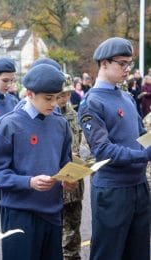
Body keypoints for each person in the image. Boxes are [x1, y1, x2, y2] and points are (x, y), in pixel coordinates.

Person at [0, 64, 75, 260]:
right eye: (48, 98)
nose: (53, 104)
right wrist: (29, 182)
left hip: (53, 213)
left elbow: (64, 164)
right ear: (29, 94)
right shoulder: (9, 124)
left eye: (57, 97)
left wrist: (69, 179)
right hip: (20, 215)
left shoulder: (60, 124)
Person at [78, 37, 150, 260]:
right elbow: (104, 150)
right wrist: (144, 155)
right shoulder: (92, 102)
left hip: (138, 186)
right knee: (108, 253)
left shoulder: (127, 98)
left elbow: (141, 137)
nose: (128, 69)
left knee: (138, 252)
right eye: (122, 63)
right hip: (113, 190)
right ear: (104, 64)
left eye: (130, 63)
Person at [56, 85, 84, 260]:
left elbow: (81, 140)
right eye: (62, 94)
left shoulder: (73, 114)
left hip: (75, 180)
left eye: (67, 94)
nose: (65, 97)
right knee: (56, 231)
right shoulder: (47, 116)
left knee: (74, 229)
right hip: (57, 182)